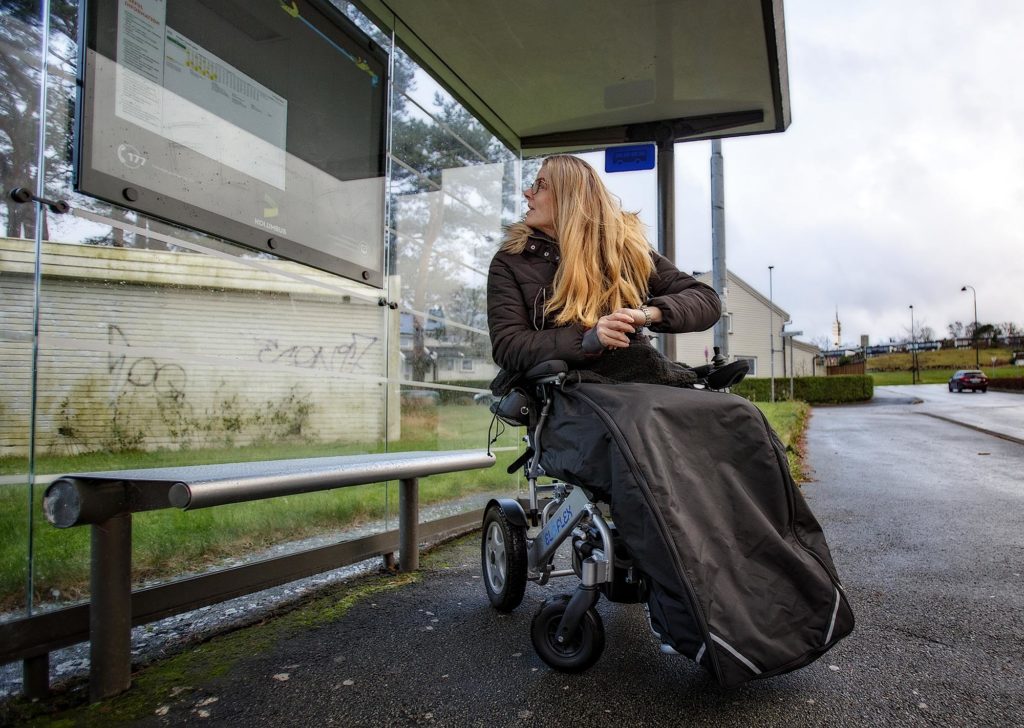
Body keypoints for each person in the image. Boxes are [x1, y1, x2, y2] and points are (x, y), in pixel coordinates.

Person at [487, 154, 721, 381]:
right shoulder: (511, 261)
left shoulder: (626, 248)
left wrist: (643, 315)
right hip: (568, 399)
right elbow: (508, 346)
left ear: (571, 196)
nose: (527, 193)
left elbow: (707, 302)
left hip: (635, 386)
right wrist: (589, 339)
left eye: (540, 185)